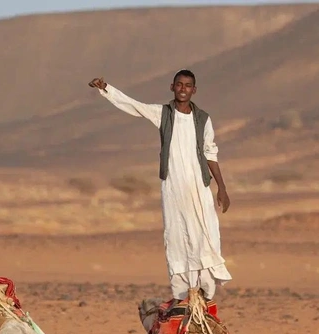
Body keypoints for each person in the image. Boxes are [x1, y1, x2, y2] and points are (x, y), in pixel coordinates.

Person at [88, 70, 232, 300]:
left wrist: (221, 188)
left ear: (194, 90)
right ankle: (182, 293)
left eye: (188, 85)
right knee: (176, 237)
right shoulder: (162, 114)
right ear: (172, 87)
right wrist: (107, 90)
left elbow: (210, 152)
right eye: (179, 84)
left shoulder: (203, 119)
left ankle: (205, 292)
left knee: (206, 234)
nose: (183, 89)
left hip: (198, 187)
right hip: (173, 189)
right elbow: (134, 106)